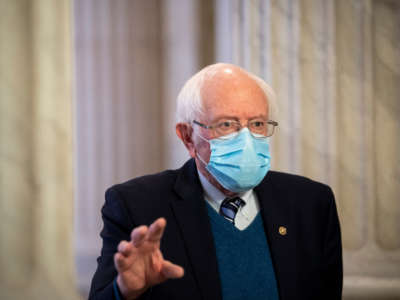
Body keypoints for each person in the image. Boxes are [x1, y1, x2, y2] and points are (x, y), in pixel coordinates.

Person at [89, 63, 343, 300]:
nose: (246, 139)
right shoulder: (137, 205)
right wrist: (124, 291)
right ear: (187, 137)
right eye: (226, 124)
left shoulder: (311, 204)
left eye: (257, 124)